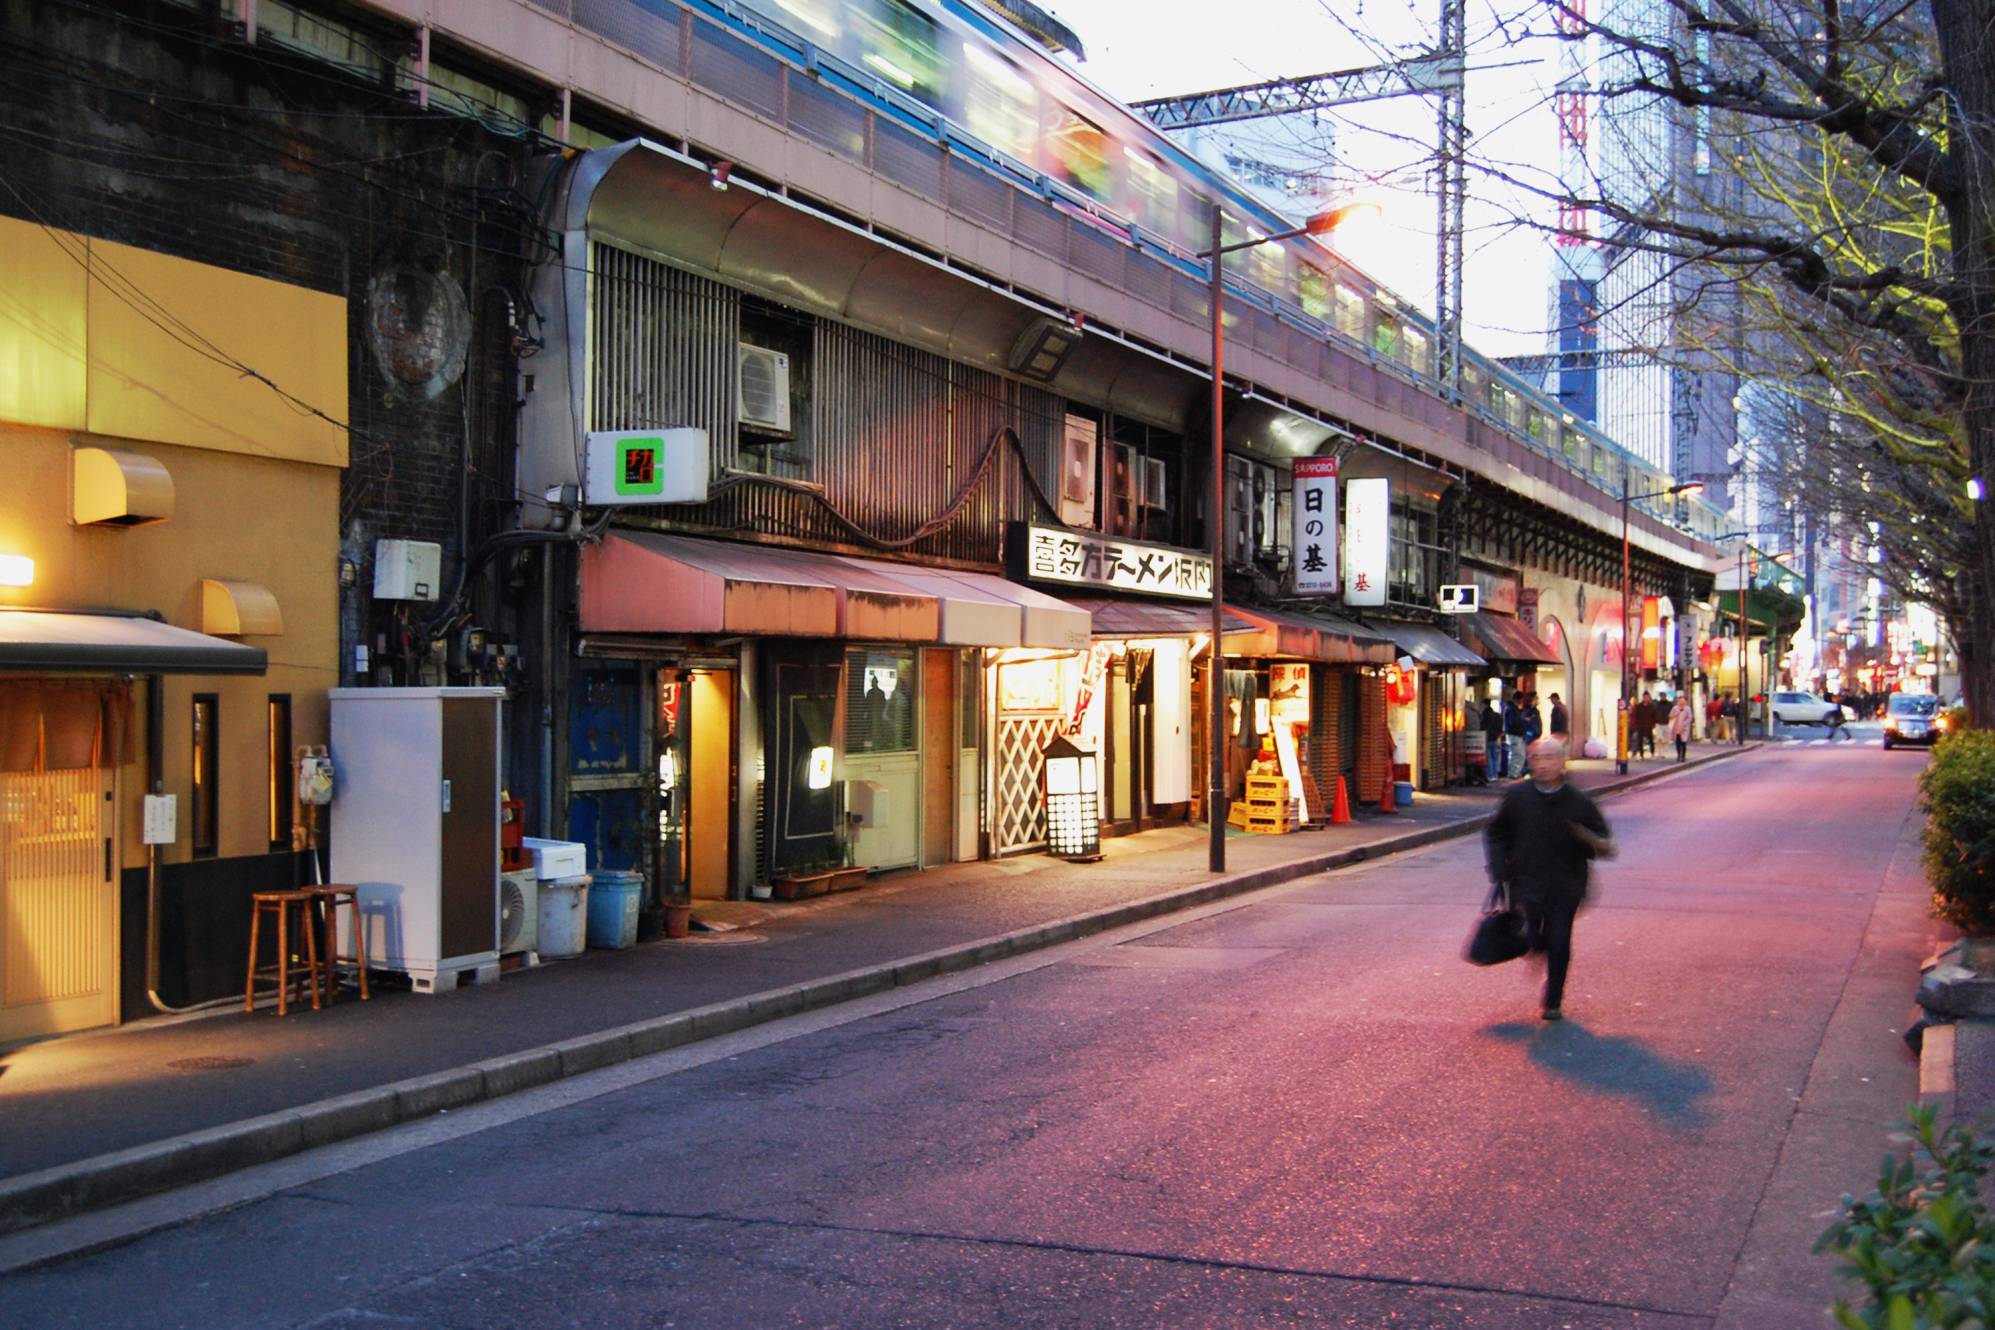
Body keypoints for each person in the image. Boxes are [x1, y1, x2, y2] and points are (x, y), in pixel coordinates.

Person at [1484, 738, 1615, 1021]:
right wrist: (1499, 869)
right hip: (1526, 882)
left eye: (1549, 758)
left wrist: (1588, 838)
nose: (1542, 765)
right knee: (1530, 937)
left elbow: (1605, 841)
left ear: (1562, 763)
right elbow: (1495, 832)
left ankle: (1553, 999)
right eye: (1537, 759)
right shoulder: (1517, 797)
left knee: (1559, 940)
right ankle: (1537, 945)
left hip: (1566, 884)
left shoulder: (1579, 802)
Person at [1503, 691, 1530, 780]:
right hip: (1515, 735)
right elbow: (1513, 722)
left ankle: (1514, 773)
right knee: (1518, 754)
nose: (1521, 701)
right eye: (1521, 699)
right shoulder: (1512, 709)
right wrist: (1524, 720)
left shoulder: (1511, 709)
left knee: (1516, 754)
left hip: (1514, 735)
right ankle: (1514, 774)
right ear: (1518, 699)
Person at [1482, 691, 1509, 779]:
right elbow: (1500, 727)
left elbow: (1483, 726)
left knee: (1489, 757)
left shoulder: (1484, 715)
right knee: (1495, 757)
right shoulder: (1497, 715)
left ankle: (1490, 775)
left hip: (1487, 738)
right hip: (1496, 738)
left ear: (1485, 705)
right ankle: (1495, 775)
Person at [1668, 694, 1694, 762]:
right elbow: (1670, 716)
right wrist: (1675, 714)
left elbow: (1690, 717)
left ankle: (1683, 756)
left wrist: (1684, 723)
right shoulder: (1675, 708)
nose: (1682, 704)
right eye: (1680, 702)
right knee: (1677, 742)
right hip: (1676, 728)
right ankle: (1679, 755)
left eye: (1683, 702)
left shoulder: (1688, 708)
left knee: (1684, 742)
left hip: (1684, 728)